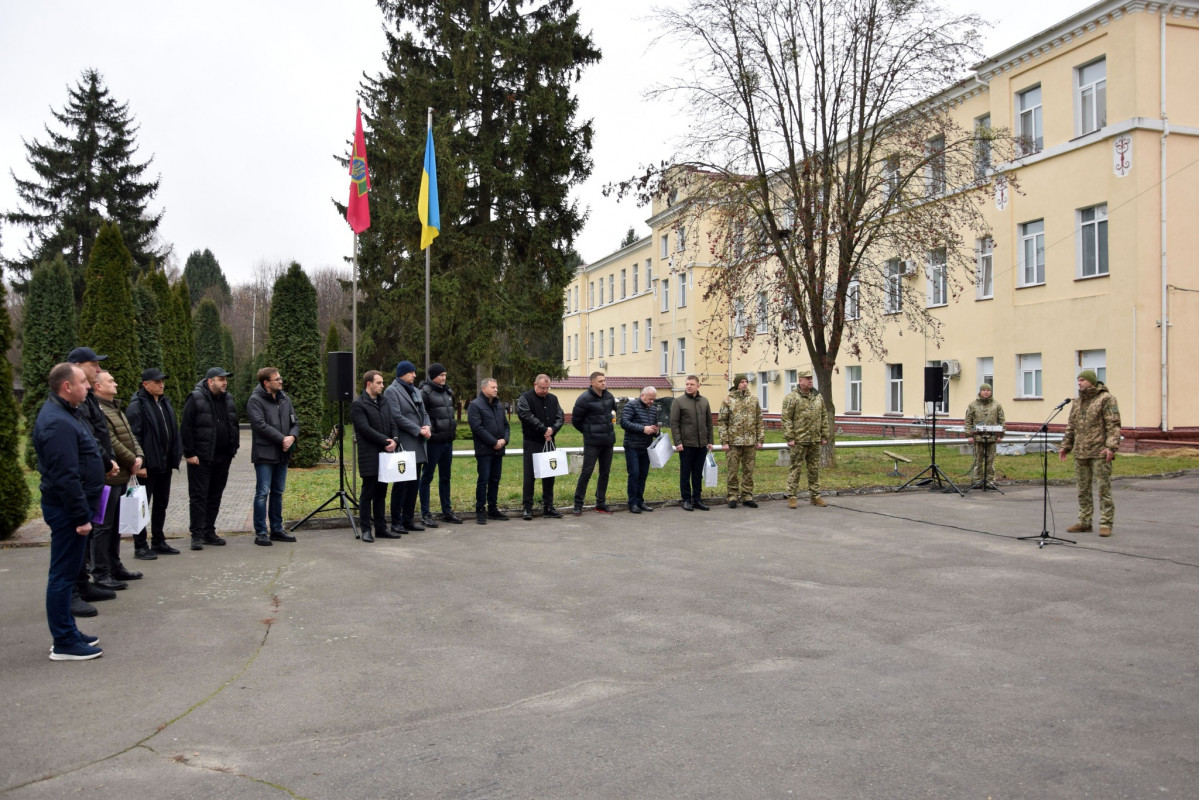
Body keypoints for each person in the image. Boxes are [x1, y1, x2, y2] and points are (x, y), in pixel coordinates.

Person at [34, 363, 106, 660]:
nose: (89, 386)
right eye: (83, 383)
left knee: (66, 573)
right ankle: (63, 641)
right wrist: (80, 517)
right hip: (68, 511)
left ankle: (69, 631)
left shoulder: (66, 413)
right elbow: (65, 475)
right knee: (63, 576)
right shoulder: (57, 422)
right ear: (67, 387)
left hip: (75, 508)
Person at [66, 347, 120, 613]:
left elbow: (99, 433)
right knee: (75, 539)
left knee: (89, 534)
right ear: (76, 366)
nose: (98, 369)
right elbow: (87, 438)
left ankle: (84, 583)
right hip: (82, 478)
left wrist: (107, 460)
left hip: (95, 476)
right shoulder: (66, 408)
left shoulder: (85, 399)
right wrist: (105, 460)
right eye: (94, 364)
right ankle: (73, 591)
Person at [92, 369, 145, 589]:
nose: (115, 383)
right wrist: (132, 460)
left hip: (123, 474)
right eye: (110, 381)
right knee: (103, 527)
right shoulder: (98, 409)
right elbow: (110, 440)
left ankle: (115, 566)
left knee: (115, 526)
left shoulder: (115, 407)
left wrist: (139, 456)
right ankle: (101, 573)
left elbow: (130, 435)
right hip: (110, 476)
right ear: (98, 386)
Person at [125, 368, 183, 559]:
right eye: (157, 382)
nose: (161, 384)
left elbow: (172, 431)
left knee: (161, 504)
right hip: (147, 467)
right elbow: (134, 436)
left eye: (162, 381)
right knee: (141, 505)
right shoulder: (137, 406)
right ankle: (140, 546)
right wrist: (139, 464)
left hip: (164, 464)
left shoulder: (165, 402)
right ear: (145, 384)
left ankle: (158, 541)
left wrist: (175, 455)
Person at [181, 367, 240, 551]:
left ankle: (209, 531)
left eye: (226, 379)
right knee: (199, 497)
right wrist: (189, 453)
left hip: (223, 457)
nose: (225, 382)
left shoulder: (228, 398)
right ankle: (196, 535)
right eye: (221, 379)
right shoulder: (196, 398)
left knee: (215, 495)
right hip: (202, 458)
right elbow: (186, 427)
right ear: (210, 381)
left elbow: (234, 423)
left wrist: (233, 448)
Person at [1059, 369, 1121, 537]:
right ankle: (1084, 522)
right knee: (1082, 489)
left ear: (1092, 381)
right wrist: (1066, 446)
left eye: (1082, 380)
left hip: (1099, 451)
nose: (1079, 383)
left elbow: (1113, 424)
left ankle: (1106, 523)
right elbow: (1071, 426)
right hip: (1080, 452)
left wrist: (1111, 447)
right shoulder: (1077, 402)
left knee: (1103, 489)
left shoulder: (1106, 399)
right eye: (1078, 380)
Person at [246, 367, 299, 547]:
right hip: (265, 454)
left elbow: (295, 422)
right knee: (262, 493)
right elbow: (260, 425)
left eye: (280, 378)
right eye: (277, 379)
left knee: (278, 493)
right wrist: (282, 438)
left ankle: (277, 529)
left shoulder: (285, 399)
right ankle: (261, 532)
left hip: (282, 454)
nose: (281, 381)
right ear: (266, 383)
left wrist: (292, 436)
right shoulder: (255, 400)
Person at [383, 360, 431, 533]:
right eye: (411, 372)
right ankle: (396, 522)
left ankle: (408, 519)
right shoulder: (392, 391)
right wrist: (418, 430)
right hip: (405, 443)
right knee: (401, 485)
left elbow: (424, 413)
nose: (414, 375)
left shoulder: (416, 391)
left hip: (418, 444)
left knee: (413, 484)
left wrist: (427, 427)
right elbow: (396, 416)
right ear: (402, 373)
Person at [350, 370, 398, 542]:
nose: (382, 386)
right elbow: (365, 429)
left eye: (382, 383)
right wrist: (386, 441)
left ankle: (381, 528)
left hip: (386, 454)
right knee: (368, 492)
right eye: (379, 383)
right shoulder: (358, 405)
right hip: (369, 455)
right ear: (369, 384)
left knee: (381, 493)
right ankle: (365, 529)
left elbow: (393, 423)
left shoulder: (384, 401)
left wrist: (395, 440)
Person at [516, 374, 566, 520]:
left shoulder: (553, 399)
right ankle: (527, 507)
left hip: (549, 441)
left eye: (547, 388)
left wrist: (553, 429)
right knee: (530, 475)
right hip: (532, 441)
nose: (545, 391)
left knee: (550, 473)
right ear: (535, 384)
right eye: (542, 388)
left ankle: (548, 506)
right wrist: (544, 429)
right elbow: (526, 416)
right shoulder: (525, 398)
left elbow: (560, 416)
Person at [419, 363, 462, 526]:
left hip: (447, 441)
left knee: (446, 477)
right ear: (433, 376)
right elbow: (422, 415)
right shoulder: (425, 392)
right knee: (427, 477)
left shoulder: (448, 391)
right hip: (433, 442)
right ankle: (425, 514)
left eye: (445, 375)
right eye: (441, 375)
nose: (444, 378)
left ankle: (447, 511)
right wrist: (432, 432)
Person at [781, 369, 830, 508]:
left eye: (811, 378)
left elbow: (824, 416)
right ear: (800, 380)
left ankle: (815, 496)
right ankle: (792, 496)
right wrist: (790, 437)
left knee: (814, 469)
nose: (810, 381)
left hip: (814, 439)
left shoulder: (817, 397)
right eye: (807, 378)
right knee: (796, 468)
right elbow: (786, 419)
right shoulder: (792, 398)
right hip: (799, 440)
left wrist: (824, 435)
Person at [571, 371, 617, 515]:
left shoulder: (609, 396)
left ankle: (600, 503)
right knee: (586, 472)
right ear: (592, 383)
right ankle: (578, 504)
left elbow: (614, 413)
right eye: (600, 381)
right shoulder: (583, 399)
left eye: (604, 381)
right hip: (592, 443)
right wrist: (588, 432)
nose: (604, 383)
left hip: (608, 442)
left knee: (605, 473)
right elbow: (576, 421)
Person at [468, 377, 510, 524]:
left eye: (496, 387)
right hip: (485, 450)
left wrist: (505, 440)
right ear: (484, 389)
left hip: (499, 450)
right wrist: (493, 442)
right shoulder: (475, 405)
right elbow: (477, 428)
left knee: (495, 480)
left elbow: (506, 425)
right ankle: (480, 510)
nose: (496, 389)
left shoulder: (498, 405)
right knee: (483, 480)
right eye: (493, 387)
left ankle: (493, 508)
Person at [718, 374, 764, 509]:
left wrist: (760, 439)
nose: (745, 384)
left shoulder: (753, 400)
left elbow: (759, 420)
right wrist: (724, 441)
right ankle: (732, 495)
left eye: (746, 381)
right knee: (733, 470)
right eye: (742, 382)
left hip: (750, 441)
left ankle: (747, 496)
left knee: (748, 470)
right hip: (733, 442)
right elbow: (722, 422)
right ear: (737, 383)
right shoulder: (728, 400)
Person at [670, 374, 714, 511]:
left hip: (701, 444)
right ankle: (686, 499)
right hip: (686, 444)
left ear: (698, 386)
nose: (688, 386)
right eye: (687, 384)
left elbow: (709, 423)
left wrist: (710, 441)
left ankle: (697, 499)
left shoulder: (704, 401)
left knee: (697, 473)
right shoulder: (679, 402)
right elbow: (674, 423)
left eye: (691, 384)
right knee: (685, 473)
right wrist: (678, 441)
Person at [620, 386, 660, 514]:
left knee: (643, 475)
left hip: (646, 447)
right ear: (642, 396)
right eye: (650, 399)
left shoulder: (653, 409)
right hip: (632, 446)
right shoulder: (631, 405)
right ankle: (632, 503)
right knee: (634, 474)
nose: (652, 402)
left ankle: (640, 501)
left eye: (654, 399)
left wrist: (656, 431)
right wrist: (643, 428)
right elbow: (624, 422)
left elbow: (652, 427)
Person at [964, 382, 1005, 489]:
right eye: (984, 390)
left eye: (988, 390)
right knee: (978, 460)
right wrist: (969, 434)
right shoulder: (973, 405)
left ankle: (990, 481)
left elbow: (1002, 420)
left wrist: (1001, 435)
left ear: (990, 392)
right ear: (980, 392)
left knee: (990, 461)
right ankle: (977, 480)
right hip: (978, 437)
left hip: (992, 438)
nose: (986, 392)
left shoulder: (997, 405)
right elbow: (968, 421)